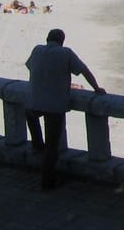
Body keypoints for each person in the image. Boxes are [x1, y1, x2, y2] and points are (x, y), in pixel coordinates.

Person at [25, 29, 106, 189]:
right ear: (62, 41)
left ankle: (36, 145)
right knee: (52, 146)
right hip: (55, 105)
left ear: (47, 39)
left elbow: (30, 67)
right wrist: (96, 87)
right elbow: (84, 71)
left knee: (31, 116)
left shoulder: (37, 49)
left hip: (34, 102)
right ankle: (47, 183)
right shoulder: (65, 53)